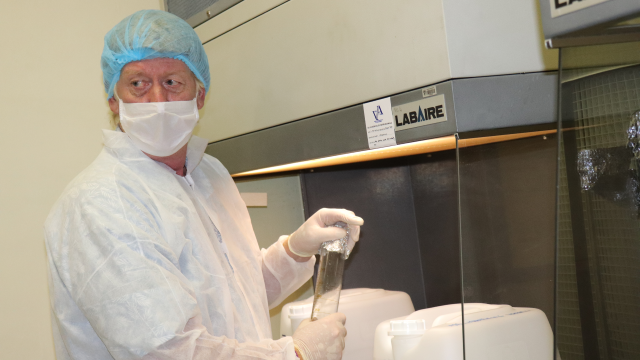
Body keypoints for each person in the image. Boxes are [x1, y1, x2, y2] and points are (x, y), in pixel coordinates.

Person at [44, 9, 363, 360]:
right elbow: (165, 350)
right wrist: (297, 354)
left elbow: (232, 296)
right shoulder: (101, 202)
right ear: (113, 102)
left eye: (171, 82)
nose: (157, 101)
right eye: (137, 84)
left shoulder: (209, 174)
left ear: (199, 96)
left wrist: (295, 251)